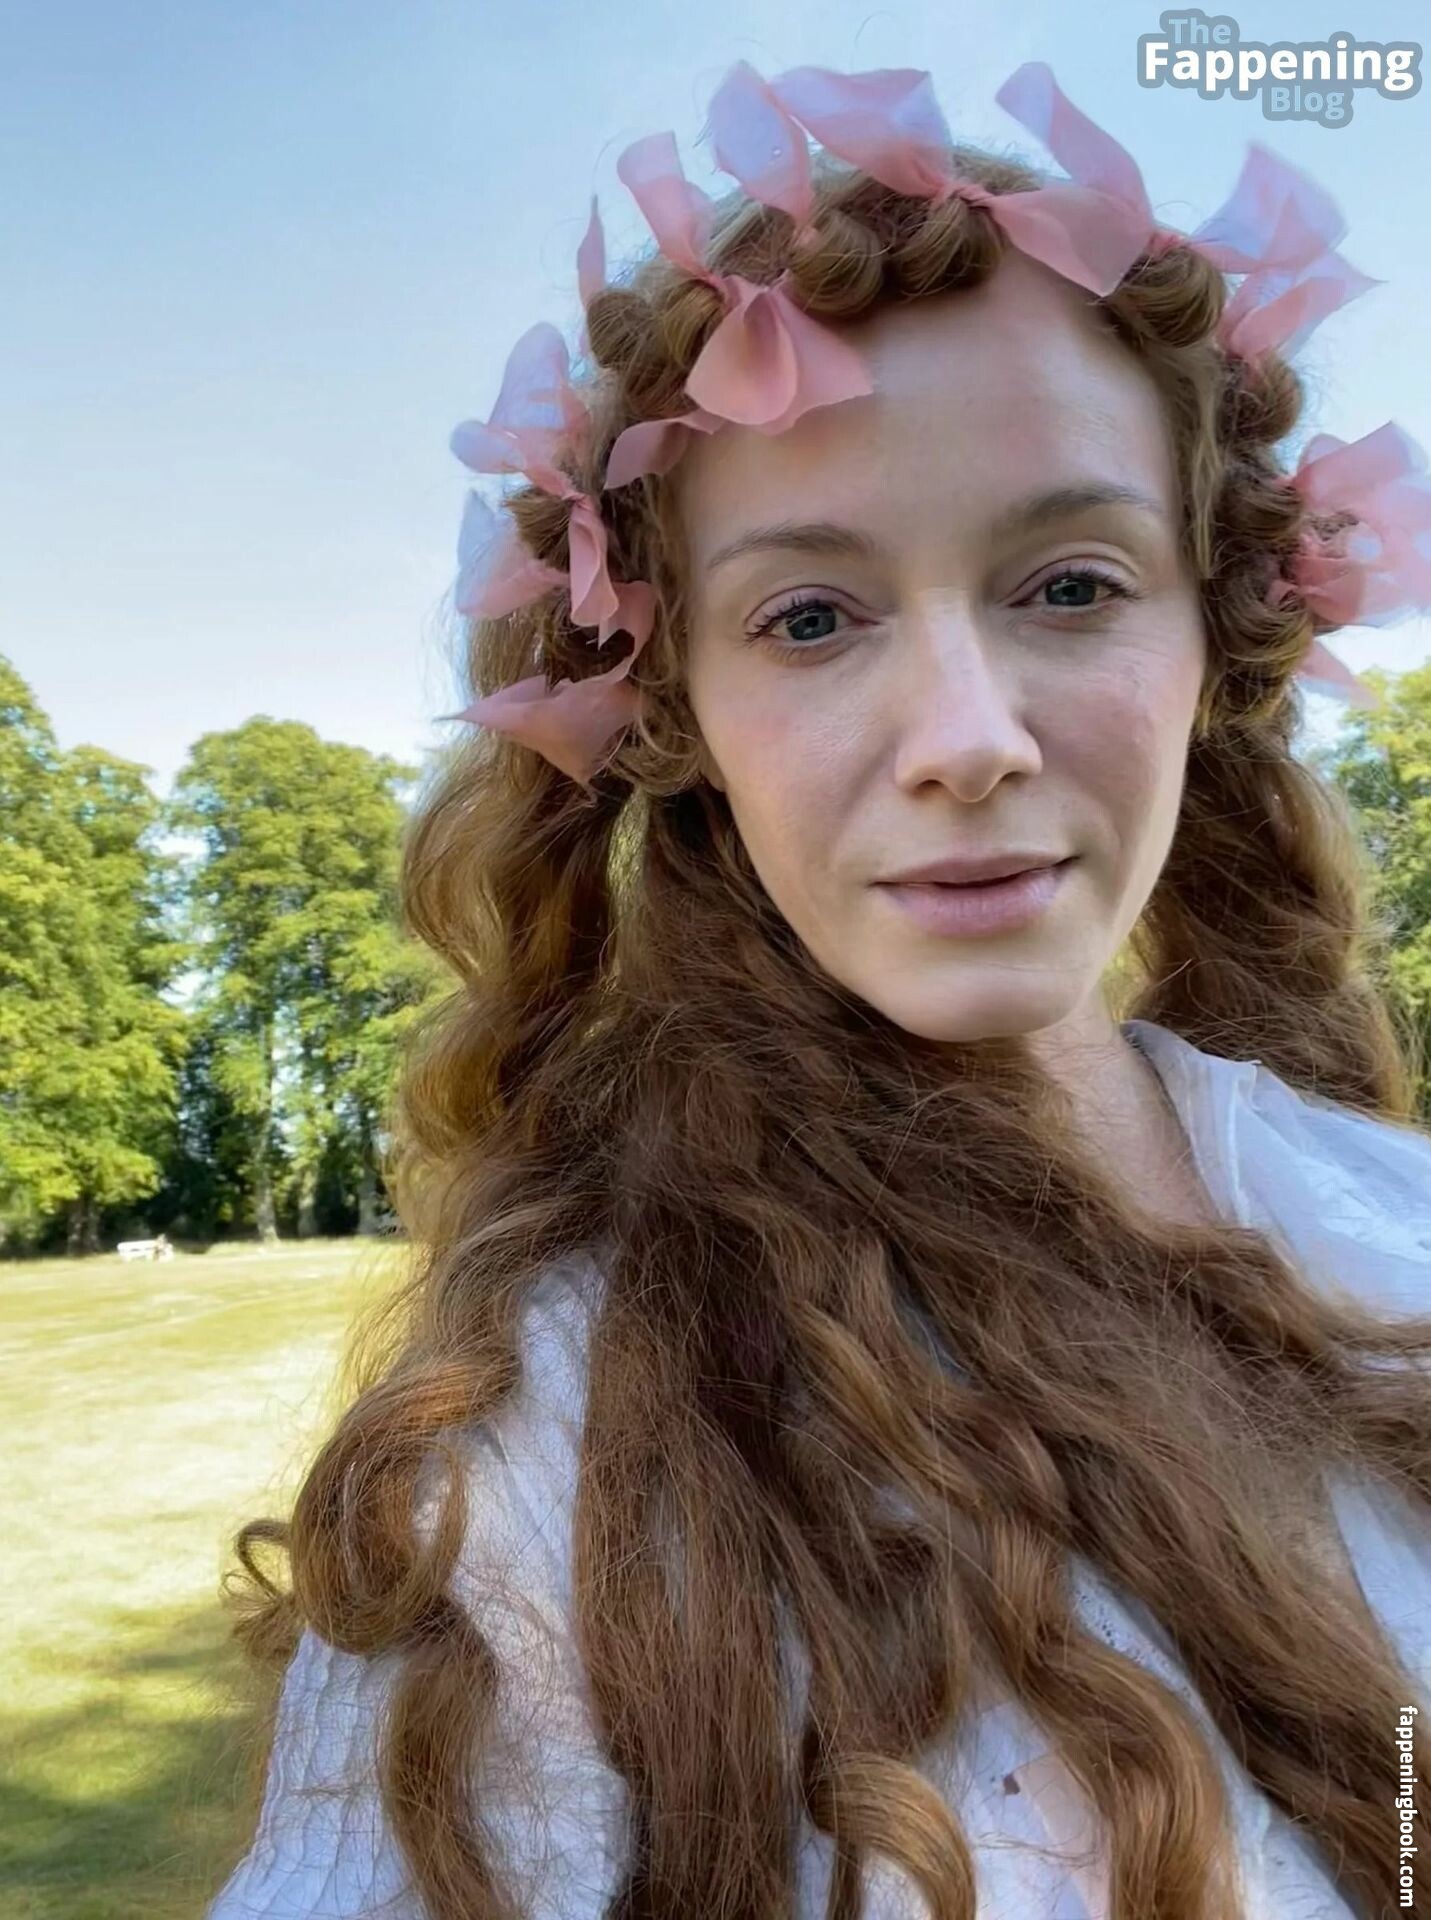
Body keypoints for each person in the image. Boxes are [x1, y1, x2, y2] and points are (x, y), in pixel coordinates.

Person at [206, 59, 1431, 1920]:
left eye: (1072, 585)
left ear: (1217, 632)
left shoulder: (1392, 1225)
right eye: (809, 616)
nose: (967, 736)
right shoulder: (561, 1432)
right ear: (682, 708)